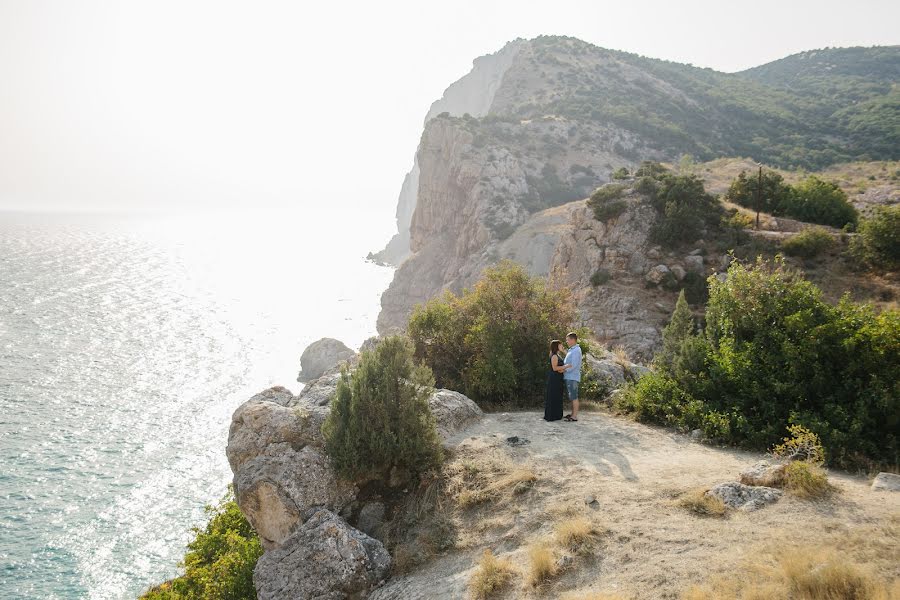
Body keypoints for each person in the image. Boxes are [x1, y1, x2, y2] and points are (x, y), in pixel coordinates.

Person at [544, 340, 566, 421]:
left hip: (558, 378)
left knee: (557, 395)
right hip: (554, 379)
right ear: (556, 346)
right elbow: (554, 368)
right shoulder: (554, 356)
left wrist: (563, 369)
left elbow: (559, 368)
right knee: (553, 395)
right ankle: (552, 415)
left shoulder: (558, 355)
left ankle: (557, 415)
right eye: (560, 345)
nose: (562, 346)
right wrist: (566, 367)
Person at [562, 332, 582, 422]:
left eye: (568, 340)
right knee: (572, 396)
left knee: (574, 396)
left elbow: (573, 365)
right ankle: (572, 414)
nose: (567, 341)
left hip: (572, 377)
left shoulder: (576, 350)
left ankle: (574, 417)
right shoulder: (572, 350)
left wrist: (564, 369)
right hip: (569, 376)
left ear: (573, 340)